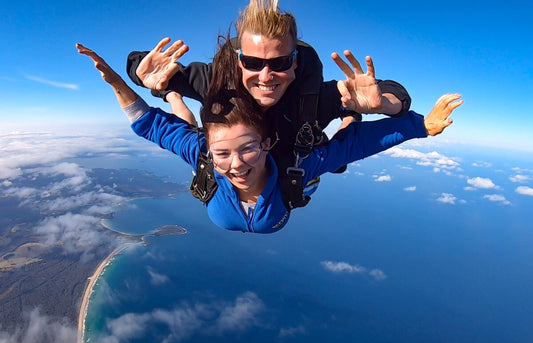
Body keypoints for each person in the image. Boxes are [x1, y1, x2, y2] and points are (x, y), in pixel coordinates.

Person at [78, 41, 462, 234]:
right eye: (224, 154)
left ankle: (345, 118)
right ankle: (180, 102)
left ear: (265, 144)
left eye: (246, 150)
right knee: (188, 125)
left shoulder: (299, 145)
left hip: (299, 144)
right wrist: (120, 79)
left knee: (339, 152)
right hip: (221, 139)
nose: (237, 165)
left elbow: (361, 142)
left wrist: (411, 122)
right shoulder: (211, 151)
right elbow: (151, 124)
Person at [126, 0, 413, 209]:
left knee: (340, 154)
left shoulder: (309, 96)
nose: (266, 76)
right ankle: (171, 96)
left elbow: (396, 95)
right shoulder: (216, 82)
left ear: (295, 63)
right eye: (253, 63)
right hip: (241, 155)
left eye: (279, 63)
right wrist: (141, 72)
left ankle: (350, 115)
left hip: (292, 160)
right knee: (186, 120)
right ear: (239, 61)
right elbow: (137, 62)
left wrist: (382, 105)